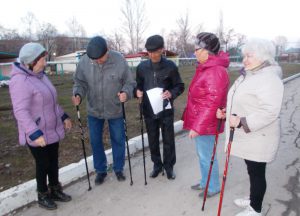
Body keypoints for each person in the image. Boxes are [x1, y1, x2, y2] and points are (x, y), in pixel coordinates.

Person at [217, 38, 284, 216]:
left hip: (259, 136)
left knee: (257, 172)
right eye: (244, 55)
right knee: (252, 169)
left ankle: (255, 209)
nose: (244, 59)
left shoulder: (269, 78)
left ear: (262, 57)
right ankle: (254, 198)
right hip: (250, 136)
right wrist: (227, 112)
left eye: (249, 56)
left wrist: (241, 122)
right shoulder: (250, 74)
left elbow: (270, 111)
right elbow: (243, 100)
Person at [9, 43, 72, 210]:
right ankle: (43, 195)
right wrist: (34, 133)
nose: (45, 63)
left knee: (53, 162)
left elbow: (52, 102)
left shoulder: (41, 76)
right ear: (31, 61)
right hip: (37, 132)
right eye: (42, 60)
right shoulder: (20, 81)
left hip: (51, 128)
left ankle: (55, 190)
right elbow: (21, 111)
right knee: (43, 164)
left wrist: (63, 116)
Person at [72, 36, 136, 185]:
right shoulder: (85, 61)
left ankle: (118, 168)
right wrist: (78, 94)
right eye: (94, 60)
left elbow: (130, 83)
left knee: (118, 139)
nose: (97, 62)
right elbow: (79, 82)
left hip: (115, 108)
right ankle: (100, 170)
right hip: (94, 109)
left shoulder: (119, 60)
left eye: (100, 59)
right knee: (95, 141)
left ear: (107, 51)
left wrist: (126, 93)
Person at [182, 32, 230, 197]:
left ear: (207, 51)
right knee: (202, 155)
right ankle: (205, 181)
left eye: (197, 49)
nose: (194, 52)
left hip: (206, 124)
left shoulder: (214, 71)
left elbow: (212, 104)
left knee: (207, 156)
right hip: (202, 121)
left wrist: (197, 127)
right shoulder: (206, 67)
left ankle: (213, 186)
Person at [135, 35, 184, 180]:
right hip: (149, 111)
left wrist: (171, 93)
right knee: (153, 140)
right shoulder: (142, 67)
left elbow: (180, 86)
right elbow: (138, 85)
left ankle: (169, 167)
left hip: (166, 110)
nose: (151, 55)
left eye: (155, 52)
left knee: (168, 140)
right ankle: (157, 165)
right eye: (149, 52)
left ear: (162, 50)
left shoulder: (170, 66)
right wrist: (136, 92)